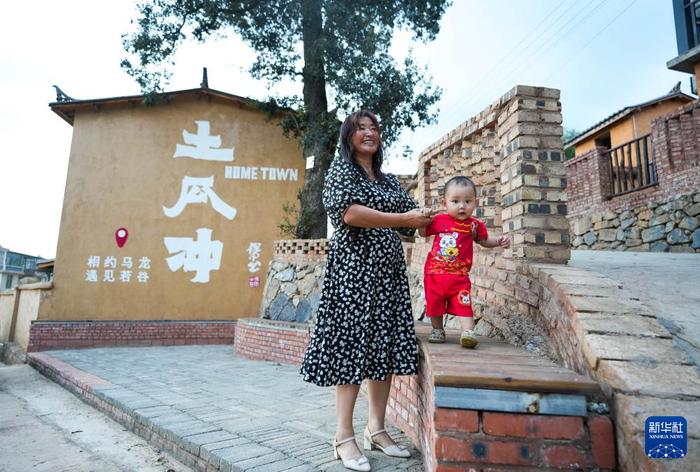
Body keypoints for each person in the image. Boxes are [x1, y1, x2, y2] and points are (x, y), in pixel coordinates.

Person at [300, 110, 433, 471]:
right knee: (350, 352)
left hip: (387, 279)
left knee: (382, 351)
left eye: (374, 127)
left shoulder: (389, 182)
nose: (369, 132)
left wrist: (446, 217)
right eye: (361, 128)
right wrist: (404, 219)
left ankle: (376, 428)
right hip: (352, 277)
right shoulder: (342, 171)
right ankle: (343, 436)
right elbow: (350, 214)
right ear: (349, 137)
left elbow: (416, 221)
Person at [419, 175, 511, 348]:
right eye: (455, 201)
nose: (462, 206)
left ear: (474, 202)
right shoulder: (438, 221)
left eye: (468, 201)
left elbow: (484, 241)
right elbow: (422, 233)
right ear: (444, 203)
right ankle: (437, 329)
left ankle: (468, 332)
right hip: (434, 274)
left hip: (459, 277)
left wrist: (498, 241)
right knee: (434, 304)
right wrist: (422, 220)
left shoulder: (475, 225)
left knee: (464, 303)